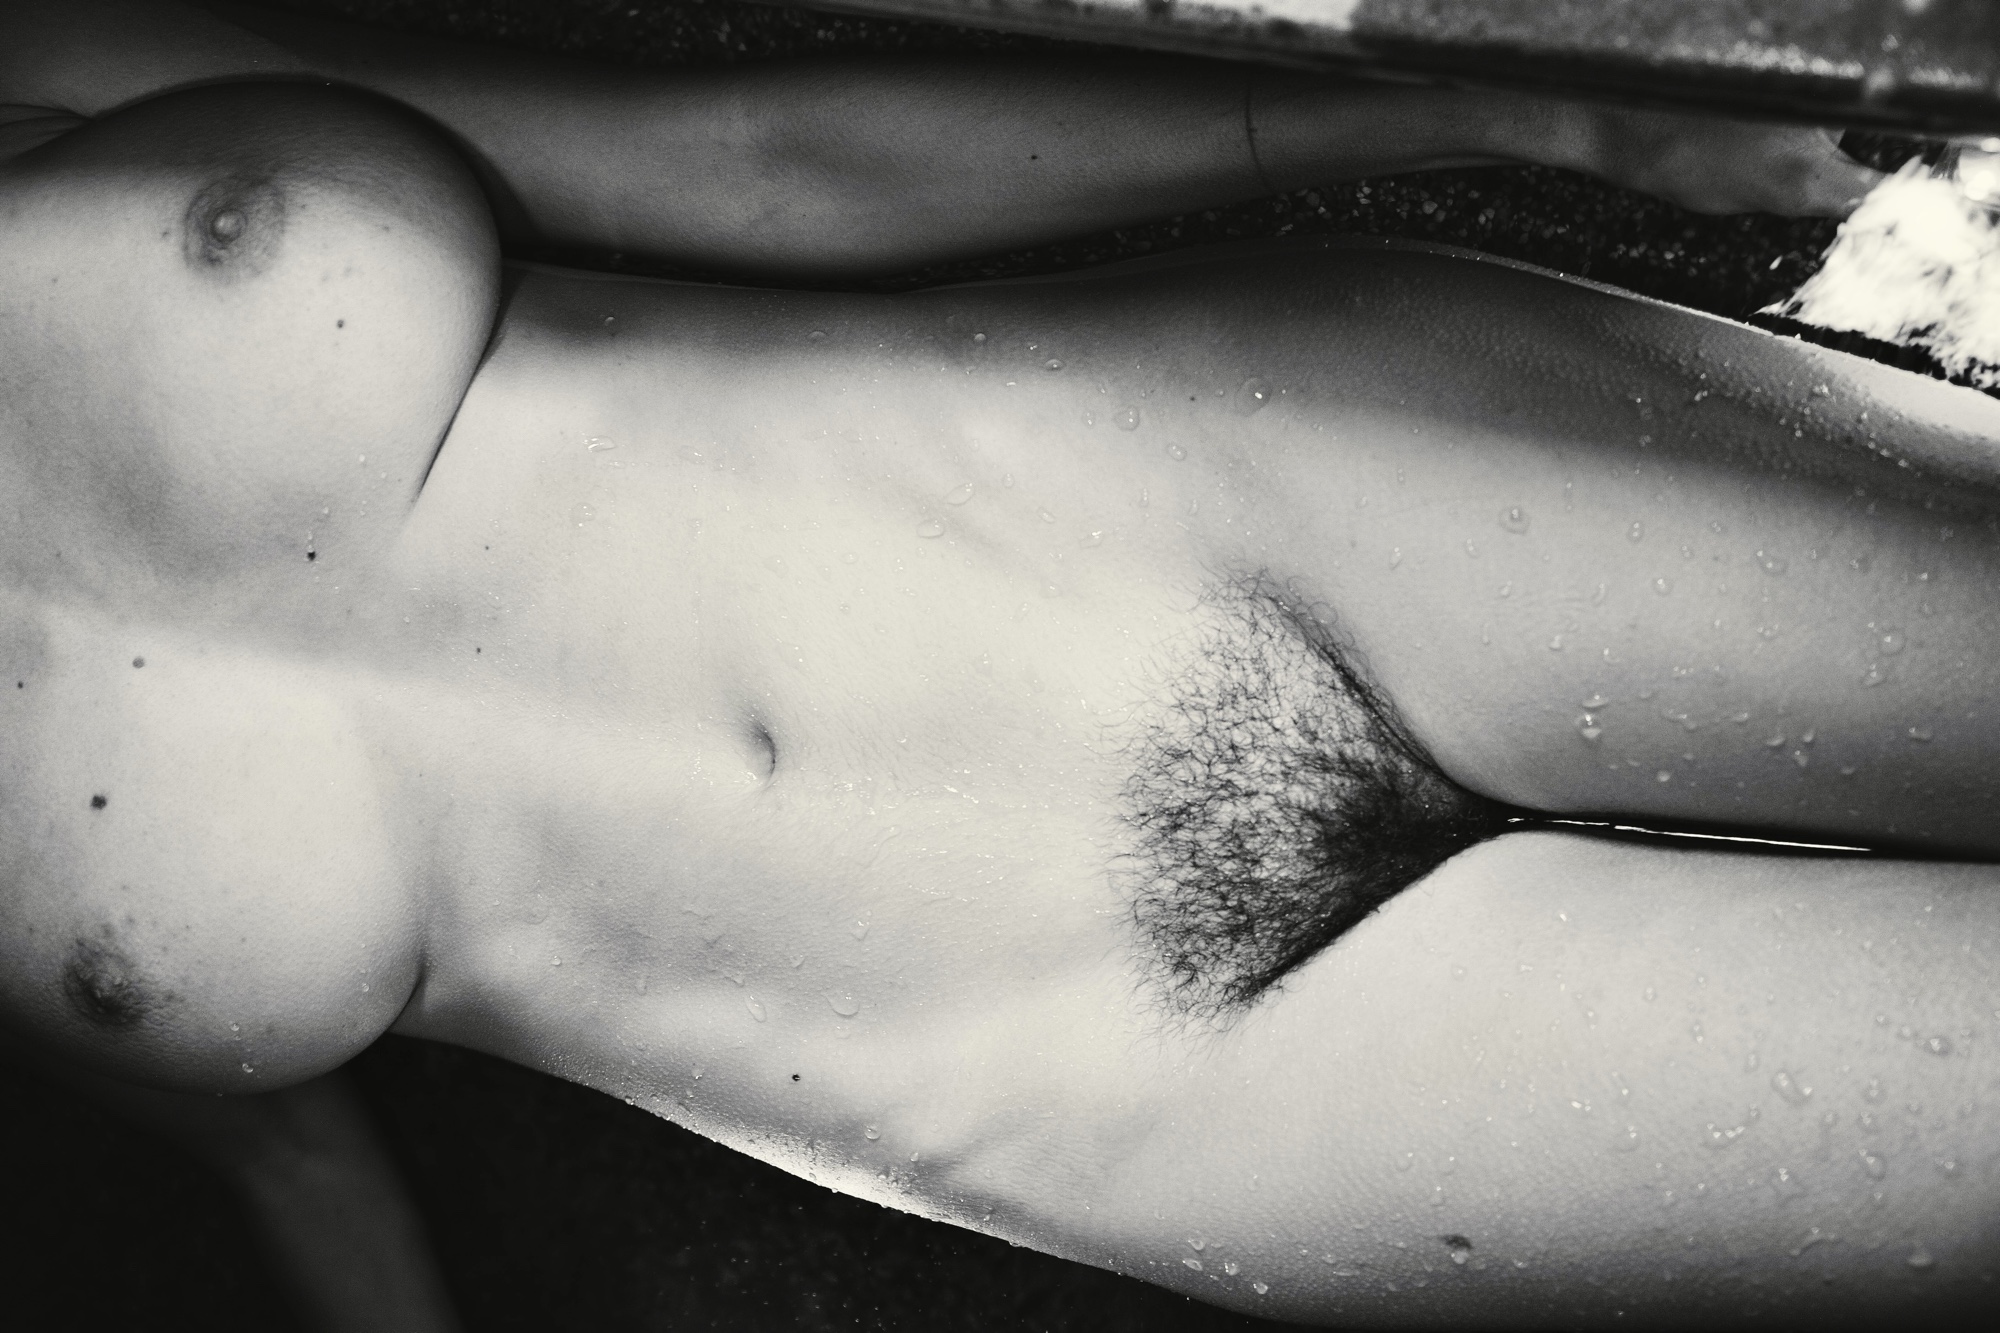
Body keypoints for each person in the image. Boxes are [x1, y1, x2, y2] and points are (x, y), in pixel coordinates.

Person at [3, 1, 1996, 1326]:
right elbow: (291, 1165)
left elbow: (752, 157)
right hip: (1123, 1090)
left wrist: (1507, 106)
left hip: (1206, 489)